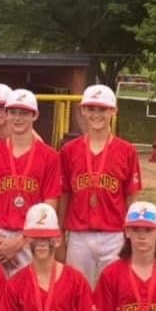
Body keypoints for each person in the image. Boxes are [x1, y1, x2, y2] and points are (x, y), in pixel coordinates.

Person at [60, 84, 142, 287]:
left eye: (103, 109)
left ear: (113, 111)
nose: (97, 115)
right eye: (91, 109)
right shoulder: (69, 150)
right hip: (79, 235)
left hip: (114, 234)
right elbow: (64, 194)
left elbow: (131, 197)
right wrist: (60, 234)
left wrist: (131, 234)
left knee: (113, 291)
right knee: (78, 291)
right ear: (83, 111)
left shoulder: (127, 150)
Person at [0, 89, 62, 276]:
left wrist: (22, 240)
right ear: (6, 115)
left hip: (31, 237)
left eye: (24, 113)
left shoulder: (50, 156)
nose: (18, 118)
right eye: (13, 112)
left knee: (29, 296)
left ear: (35, 115)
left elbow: (50, 204)